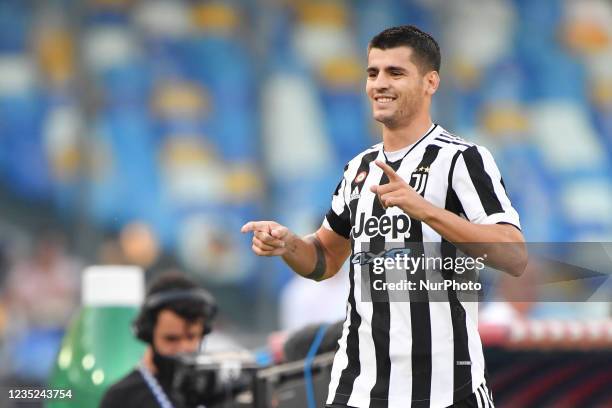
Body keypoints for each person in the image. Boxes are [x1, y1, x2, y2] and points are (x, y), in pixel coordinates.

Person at [241, 25, 527, 408]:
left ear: (430, 82)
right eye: (372, 73)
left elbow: (514, 254)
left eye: (395, 72)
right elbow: (325, 260)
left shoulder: (461, 159)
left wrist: (423, 208)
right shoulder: (358, 168)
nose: (379, 83)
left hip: (446, 390)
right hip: (358, 388)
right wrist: (288, 243)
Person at [100, 271, 217, 408]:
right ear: (148, 334)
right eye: (171, 339)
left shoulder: (218, 392)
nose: (183, 347)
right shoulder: (121, 398)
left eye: (191, 337)